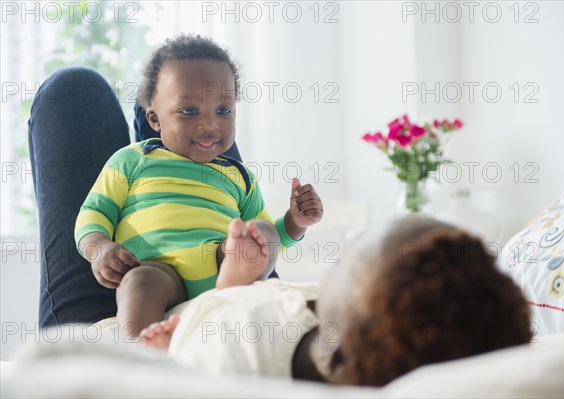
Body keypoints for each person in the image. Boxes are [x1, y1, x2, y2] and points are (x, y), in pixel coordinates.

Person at [71, 34, 323, 337]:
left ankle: (233, 286)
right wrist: (99, 248)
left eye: (223, 110)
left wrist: (296, 222)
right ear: (154, 119)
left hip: (221, 263)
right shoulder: (132, 159)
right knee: (137, 283)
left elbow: (274, 238)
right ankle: (141, 348)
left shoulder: (239, 176)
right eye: (189, 112)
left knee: (261, 234)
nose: (209, 125)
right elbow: (94, 212)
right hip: (158, 269)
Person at [138, 217, 533, 386]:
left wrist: (169, 347)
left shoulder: (233, 365)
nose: (331, 263)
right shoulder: (342, 328)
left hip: (178, 300)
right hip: (234, 290)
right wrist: (240, 281)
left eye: (343, 259)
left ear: (331, 354)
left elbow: (182, 368)